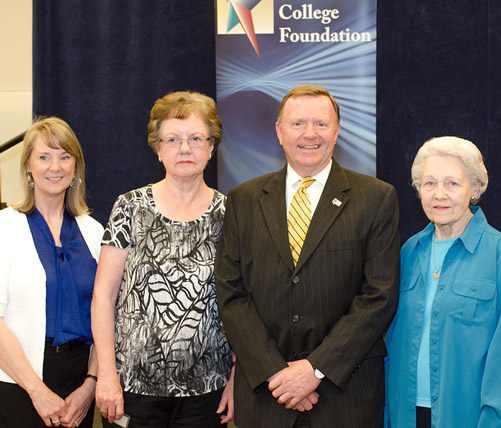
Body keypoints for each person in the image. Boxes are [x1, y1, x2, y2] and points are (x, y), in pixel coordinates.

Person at [214, 84, 400, 428]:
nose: (310, 134)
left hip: (345, 394)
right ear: (279, 131)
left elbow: (379, 296)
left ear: (337, 130)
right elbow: (231, 293)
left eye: (321, 124)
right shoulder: (243, 199)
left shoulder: (376, 198)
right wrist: (276, 373)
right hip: (267, 394)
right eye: (298, 124)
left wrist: (316, 369)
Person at [91, 91, 234, 428]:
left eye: (196, 138)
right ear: (157, 148)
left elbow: (241, 303)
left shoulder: (231, 213)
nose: (185, 148)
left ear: (212, 146)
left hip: (208, 391)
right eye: (172, 139)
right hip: (131, 389)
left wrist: (235, 379)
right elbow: (103, 298)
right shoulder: (129, 207)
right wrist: (107, 376)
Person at [385, 136, 501, 428]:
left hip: (466, 418)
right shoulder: (408, 251)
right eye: (429, 183)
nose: (439, 194)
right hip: (405, 415)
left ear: (475, 189)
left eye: (452, 183)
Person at [0, 117, 104, 428]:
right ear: (28, 167)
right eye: (44, 157)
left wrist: (90, 385)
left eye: (64, 156)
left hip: (80, 381)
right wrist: (36, 390)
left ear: (76, 167)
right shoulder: (6, 227)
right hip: (18, 381)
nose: (55, 167)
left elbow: (107, 315)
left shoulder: (94, 231)